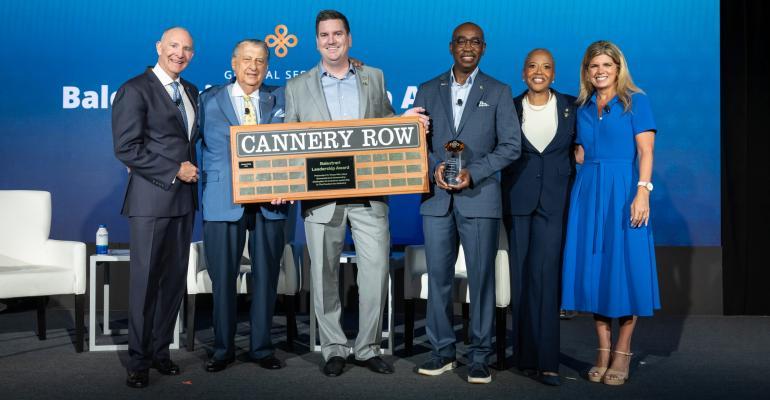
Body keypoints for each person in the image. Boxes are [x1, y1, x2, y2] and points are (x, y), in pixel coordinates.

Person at [284, 9, 427, 377]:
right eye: (324, 35)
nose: (331, 41)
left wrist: (405, 120)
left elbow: (384, 128)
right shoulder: (297, 86)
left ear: (349, 38)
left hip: (369, 196)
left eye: (337, 34)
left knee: (376, 273)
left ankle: (366, 347)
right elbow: (288, 143)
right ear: (316, 41)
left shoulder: (373, 78)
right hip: (321, 200)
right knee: (324, 275)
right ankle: (333, 347)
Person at [414, 22, 520, 384]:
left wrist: (473, 172)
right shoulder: (427, 90)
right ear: (451, 47)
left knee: (481, 280)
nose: (468, 47)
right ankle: (442, 351)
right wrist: (435, 169)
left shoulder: (500, 91)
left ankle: (479, 355)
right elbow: (414, 144)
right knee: (439, 280)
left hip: (479, 199)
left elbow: (510, 145)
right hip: (437, 200)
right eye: (462, 41)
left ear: (484, 48)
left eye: (475, 42)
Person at [561, 40, 660, 386]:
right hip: (588, 193)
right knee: (596, 270)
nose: (600, 71)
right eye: (594, 66)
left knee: (626, 271)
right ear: (586, 72)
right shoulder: (583, 107)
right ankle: (602, 351)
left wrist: (642, 193)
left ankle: (623, 351)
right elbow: (581, 148)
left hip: (624, 192)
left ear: (619, 68)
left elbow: (646, 152)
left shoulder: (636, 101)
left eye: (607, 65)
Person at [112, 27, 198, 389]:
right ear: (159, 48)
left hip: (184, 203)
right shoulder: (134, 89)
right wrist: (174, 169)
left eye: (187, 49)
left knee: (172, 283)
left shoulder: (191, 91)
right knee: (145, 284)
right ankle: (138, 360)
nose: (180, 53)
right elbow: (126, 148)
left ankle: (161, 352)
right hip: (150, 200)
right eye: (173, 46)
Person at [197, 39, 288, 373]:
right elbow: (178, 139)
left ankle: (262, 348)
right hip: (223, 200)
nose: (253, 67)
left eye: (261, 61)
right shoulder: (206, 100)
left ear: (267, 66)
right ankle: (222, 348)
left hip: (271, 201)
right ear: (234, 64)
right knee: (223, 279)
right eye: (247, 60)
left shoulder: (283, 98)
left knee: (266, 277)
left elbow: (301, 141)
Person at [501, 48, 576, 386]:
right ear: (523, 72)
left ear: (554, 74)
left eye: (546, 67)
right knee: (521, 278)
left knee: (546, 277)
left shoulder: (572, 107)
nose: (539, 71)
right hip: (517, 202)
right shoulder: (509, 107)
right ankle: (524, 356)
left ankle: (548, 361)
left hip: (553, 203)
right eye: (532, 66)